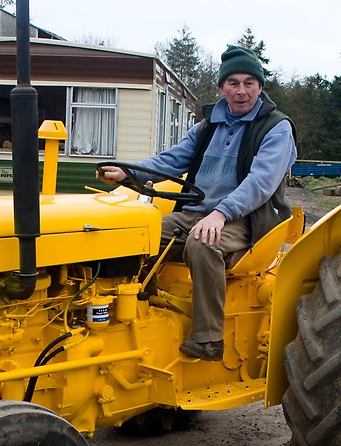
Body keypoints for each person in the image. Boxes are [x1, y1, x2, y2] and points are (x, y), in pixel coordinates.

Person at [97, 45, 297, 361]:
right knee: (138, 233)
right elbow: (173, 159)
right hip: (197, 213)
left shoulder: (275, 128)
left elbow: (260, 183)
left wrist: (221, 214)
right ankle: (137, 309)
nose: (241, 91)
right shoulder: (208, 126)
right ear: (222, 88)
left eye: (249, 83)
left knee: (203, 243)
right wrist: (128, 171)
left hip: (247, 219)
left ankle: (208, 339)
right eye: (233, 83)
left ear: (260, 87)